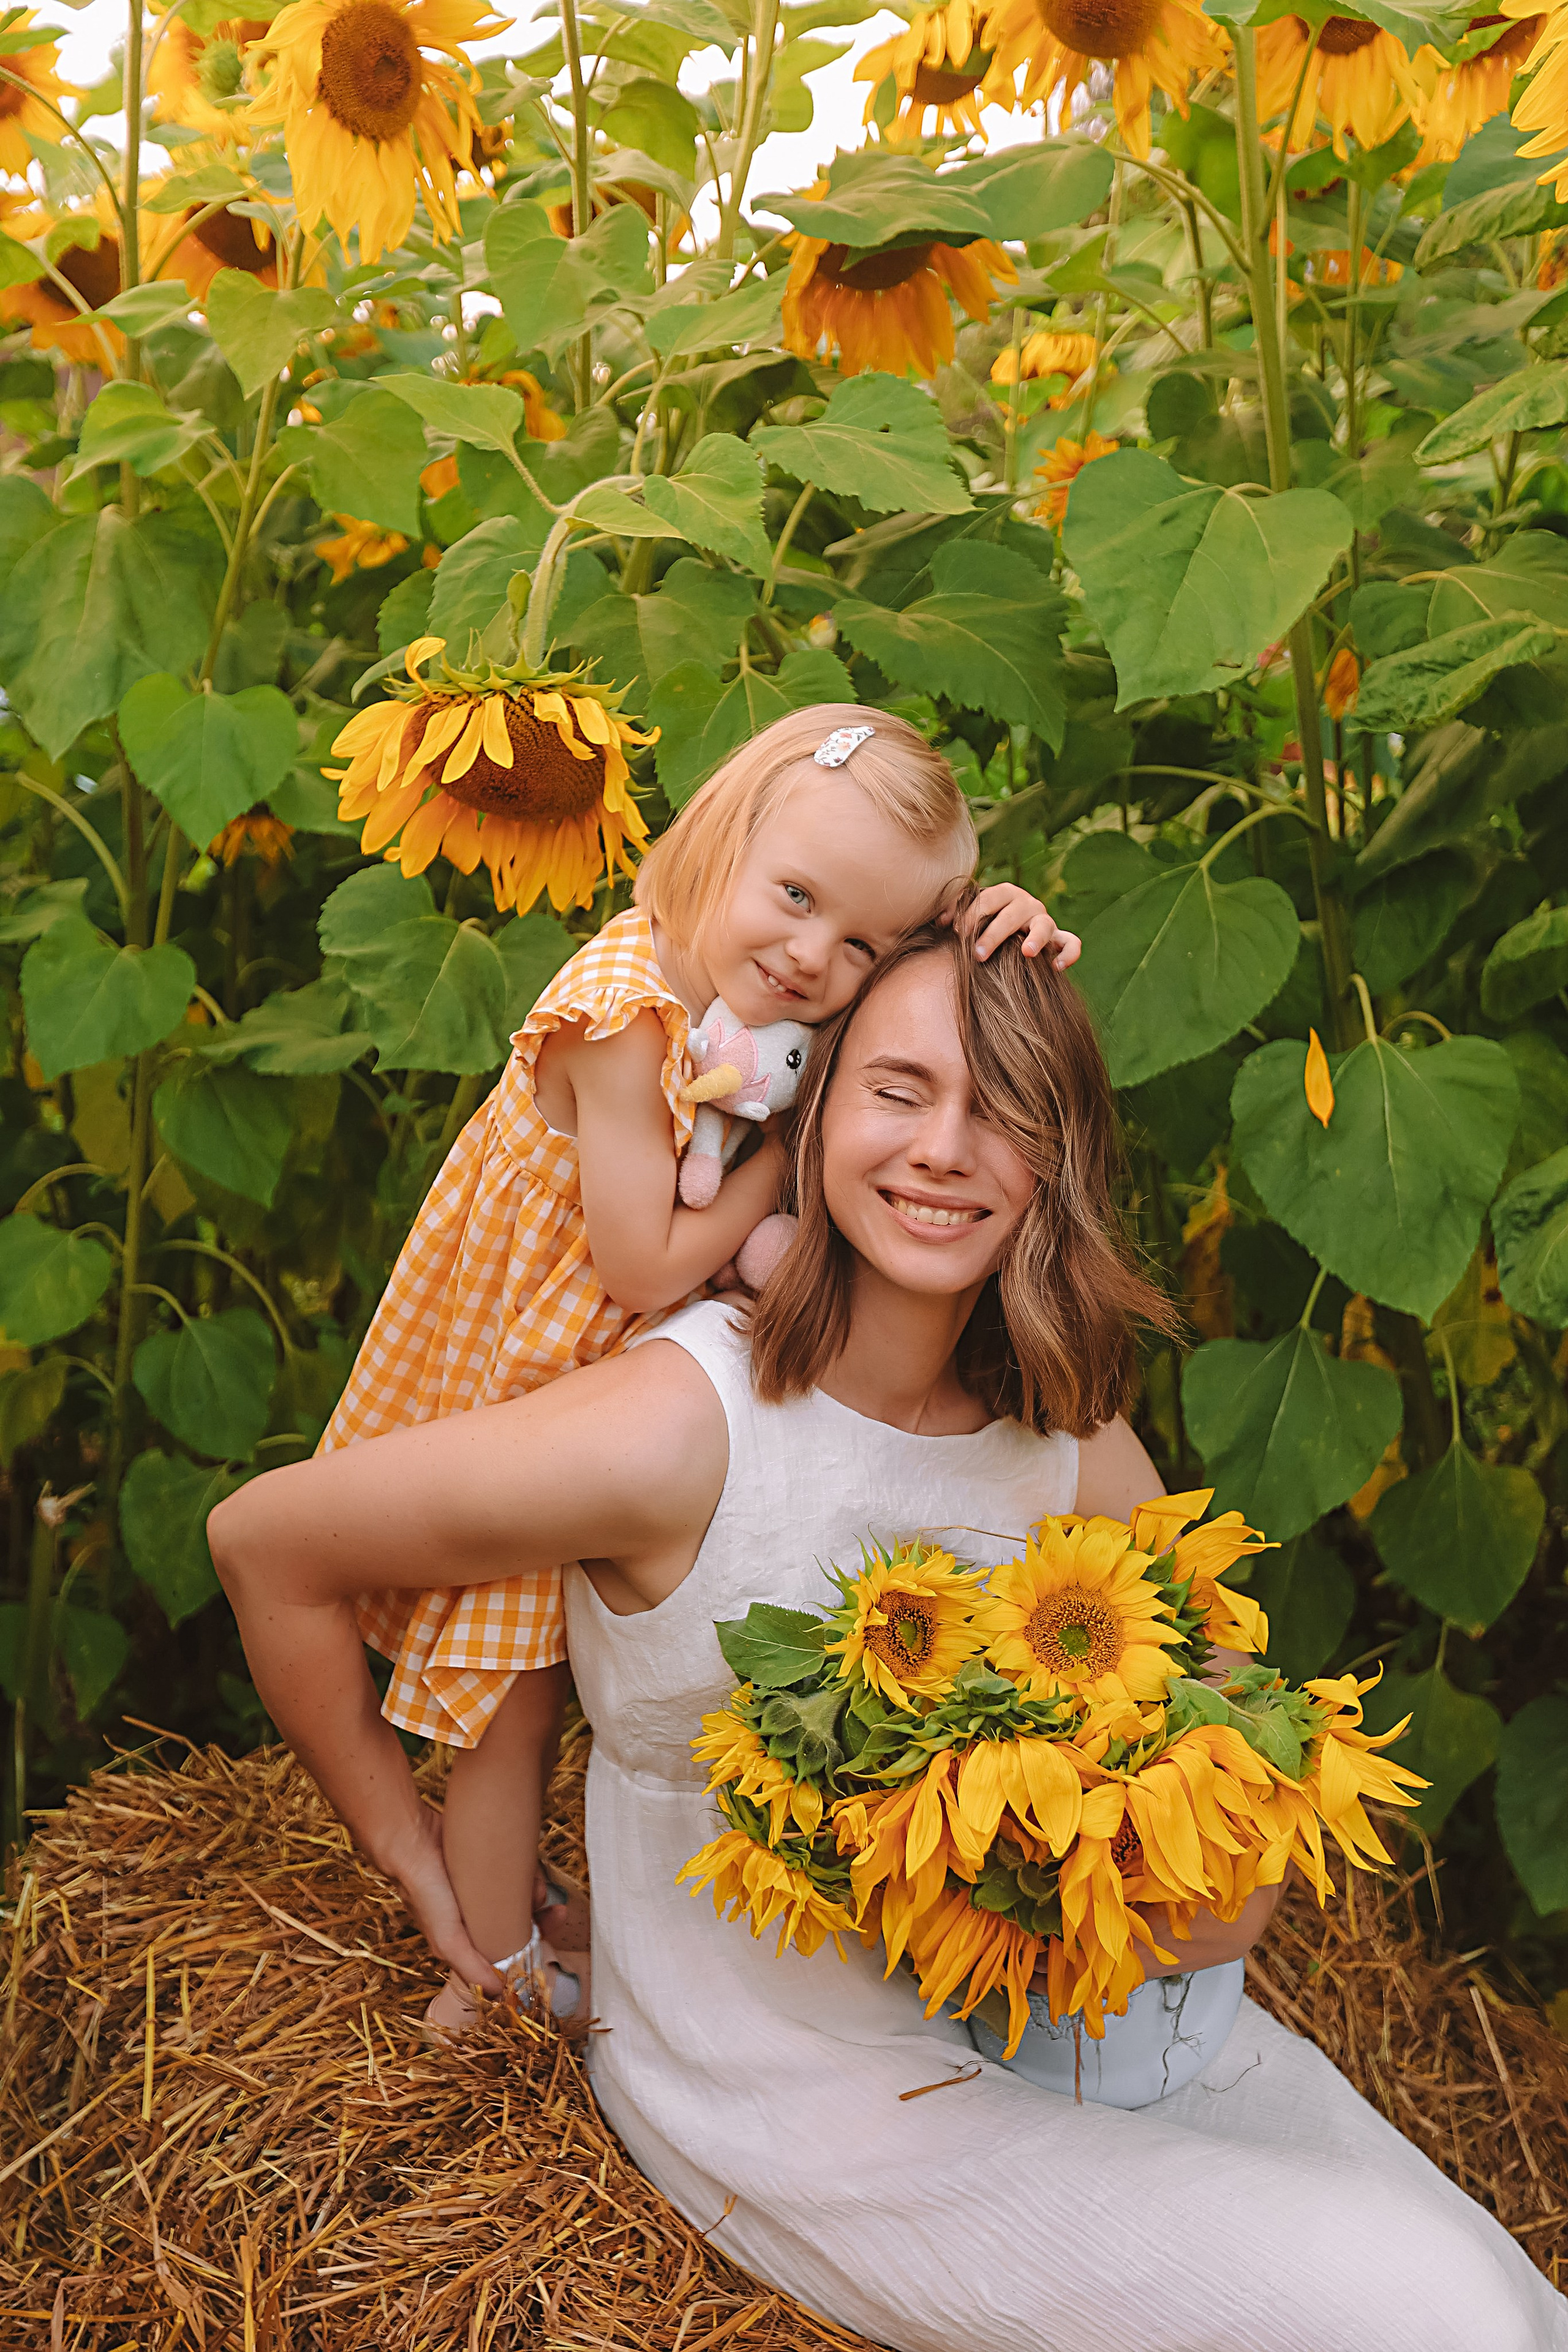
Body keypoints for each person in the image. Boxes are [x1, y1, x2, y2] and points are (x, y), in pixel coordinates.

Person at [212, 922, 1565, 2352]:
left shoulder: (1058, 1432)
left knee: (1498, 2304)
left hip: (1097, 2033)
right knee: (1437, 2319)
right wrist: (418, 1862)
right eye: (897, 1089)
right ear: (808, 1117)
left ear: (1058, 1158)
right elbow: (265, 1547)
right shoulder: (683, 1424)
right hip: (796, 2088)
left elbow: (1230, 1710)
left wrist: (1215, 1877)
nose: (942, 1149)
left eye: (1003, 1107)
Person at [318, 704, 1079, 2030]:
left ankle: (527, 1914)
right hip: (532, 1364)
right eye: (796, 898)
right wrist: (780, 1167)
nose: (812, 956)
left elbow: (910, 945)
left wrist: (999, 921)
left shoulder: (748, 978)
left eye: (859, 944)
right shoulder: (623, 1021)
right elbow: (640, 1266)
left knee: (562, 1682)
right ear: (723, 833)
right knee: (514, 1704)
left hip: (599, 1353)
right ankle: (488, 1989)